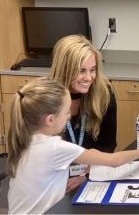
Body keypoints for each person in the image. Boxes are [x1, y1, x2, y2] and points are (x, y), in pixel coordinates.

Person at [7, 77, 139, 214]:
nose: (69, 116)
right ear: (50, 120)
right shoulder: (54, 147)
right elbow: (114, 161)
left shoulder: (24, 138)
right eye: (67, 112)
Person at [50, 34, 117, 192]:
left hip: (91, 175)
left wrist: (87, 175)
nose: (88, 77)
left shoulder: (104, 94)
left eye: (92, 70)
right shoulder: (46, 97)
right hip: (54, 178)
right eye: (81, 71)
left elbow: (107, 145)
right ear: (64, 70)